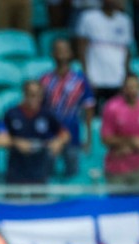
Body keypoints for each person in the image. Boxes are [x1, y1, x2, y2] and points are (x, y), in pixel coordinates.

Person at [40, 38, 96, 179]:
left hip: (73, 134)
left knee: (72, 174)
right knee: (47, 173)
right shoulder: (45, 80)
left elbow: (88, 109)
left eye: (65, 50)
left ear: (71, 53)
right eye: (58, 50)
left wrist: (88, 138)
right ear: (52, 54)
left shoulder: (80, 80)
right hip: (49, 135)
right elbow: (39, 109)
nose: (61, 54)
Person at [100, 72, 139, 187]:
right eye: (128, 87)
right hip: (115, 168)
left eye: (135, 87)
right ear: (123, 89)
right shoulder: (111, 107)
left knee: (138, 202)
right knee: (116, 204)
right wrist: (131, 141)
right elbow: (106, 138)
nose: (132, 90)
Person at [4, 80, 70, 185]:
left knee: (40, 199)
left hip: (40, 168)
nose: (34, 99)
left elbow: (65, 134)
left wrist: (58, 141)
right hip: (16, 167)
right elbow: (1, 137)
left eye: (38, 95)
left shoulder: (47, 114)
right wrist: (16, 142)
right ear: (24, 94)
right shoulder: (12, 114)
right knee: (13, 200)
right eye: (31, 95)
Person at [76, 0, 133, 113]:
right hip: (95, 78)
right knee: (92, 116)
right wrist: (87, 76)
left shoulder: (125, 20)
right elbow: (81, 49)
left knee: (116, 116)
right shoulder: (88, 17)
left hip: (117, 79)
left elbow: (127, 51)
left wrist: (125, 77)